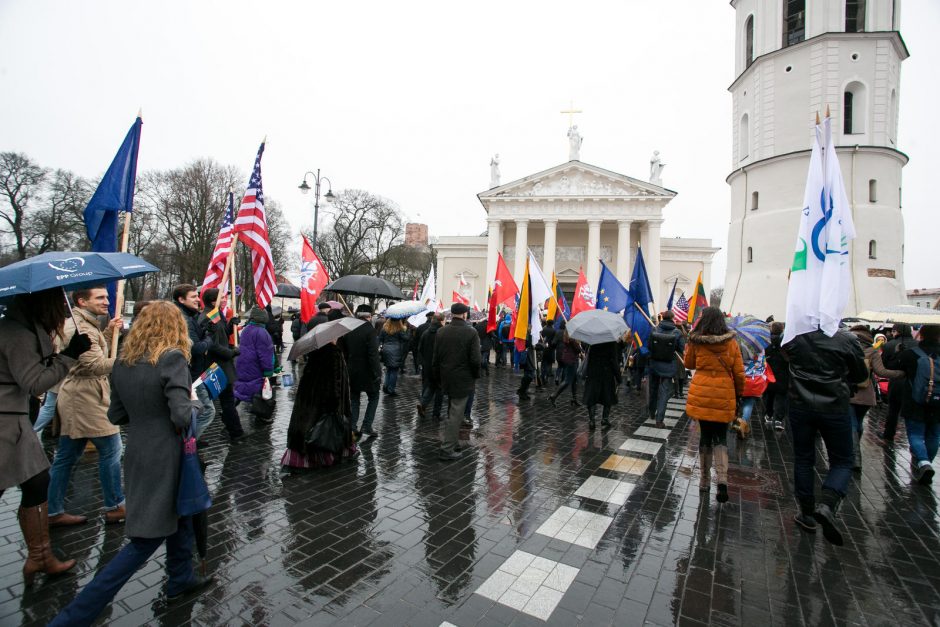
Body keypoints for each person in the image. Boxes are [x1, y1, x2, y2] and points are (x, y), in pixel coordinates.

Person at [48, 301, 212, 625]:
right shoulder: (173, 358)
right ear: (174, 327)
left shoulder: (123, 362)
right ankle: (73, 616)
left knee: (180, 517)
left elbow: (116, 414)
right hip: (169, 457)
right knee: (143, 542)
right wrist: (194, 404)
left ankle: (181, 578)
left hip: (139, 453)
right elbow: (182, 417)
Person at [0, 288, 89, 585]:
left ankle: (40, 556)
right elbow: (34, 381)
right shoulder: (16, 333)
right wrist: (69, 356)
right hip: (5, 422)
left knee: (39, 481)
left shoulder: (21, 328)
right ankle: (40, 556)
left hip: (14, 420)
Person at [48, 286, 126, 527]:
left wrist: (109, 330)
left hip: (83, 394)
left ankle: (52, 510)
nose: (106, 301)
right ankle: (115, 505)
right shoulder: (78, 326)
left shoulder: (86, 323)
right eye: (100, 297)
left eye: (106, 296)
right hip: (85, 397)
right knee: (112, 449)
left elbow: (91, 350)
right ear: (81, 301)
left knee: (66, 456)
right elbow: (94, 365)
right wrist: (128, 359)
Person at [784, 324, 868, 545]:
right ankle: (828, 503)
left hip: (800, 403)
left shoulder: (795, 335)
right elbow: (861, 374)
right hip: (834, 406)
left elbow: (785, 358)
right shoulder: (847, 339)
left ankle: (806, 512)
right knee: (842, 461)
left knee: (803, 458)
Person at [683, 307, 745, 504]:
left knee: (705, 438)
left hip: (702, 394)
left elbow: (689, 364)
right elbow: (739, 373)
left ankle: (704, 480)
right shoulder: (731, 343)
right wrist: (739, 393)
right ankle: (723, 481)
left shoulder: (696, 341)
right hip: (724, 394)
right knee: (721, 438)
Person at [281, 340, 357, 470]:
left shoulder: (315, 351)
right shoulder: (334, 353)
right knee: (325, 429)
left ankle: (300, 459)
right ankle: (326, 457)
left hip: (309, 399)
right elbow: (335, 383)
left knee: (308, 427)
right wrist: (335, 404)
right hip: (325, 400)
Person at [432, 303, 481, 460]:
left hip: (446, 376)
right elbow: (475, 360)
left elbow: (436, 358)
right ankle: (447, 450)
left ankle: (452, 442)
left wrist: (437, 377)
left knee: (453, 411)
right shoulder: (471, 332)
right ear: (465, 314)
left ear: (451, 314)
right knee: (455, 413)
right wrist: (475, 375)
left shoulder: (441, 331)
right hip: (463, 378)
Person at [894, 324, 940, 484]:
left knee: (916, 434)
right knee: (934, 434)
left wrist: (900, 352)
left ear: (921, 335)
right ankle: (927, 462)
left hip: (915, 401)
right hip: (938, 402)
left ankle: (923, 462)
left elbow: (893, 366)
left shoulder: (911, 353)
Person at [199, 288, 243, 442]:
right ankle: (236, 433)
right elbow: (213, 345)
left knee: (225, 400)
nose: (225, 299)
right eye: (222, 297)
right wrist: (231, 353)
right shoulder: (207, 317)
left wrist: (231, 324)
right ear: (213, 301)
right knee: (226, 400)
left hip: (222, 364)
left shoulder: (215, 313)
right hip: (217, 366)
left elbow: (222, 332)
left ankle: (234, 430)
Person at [172, 284, 215, 438]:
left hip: (192, 372)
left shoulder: (190, 316)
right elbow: (196, 348)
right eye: (193, 296)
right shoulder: (184, 319)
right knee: (207, 411)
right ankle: (187, 444)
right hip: (191, 373)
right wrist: (209, 339)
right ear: (181, 299)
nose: (198, 299)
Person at [341, 304, 382, 438]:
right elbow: (373, 355)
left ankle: (352, 427)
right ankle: (367, 425)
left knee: (354, 399)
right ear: (369, 316)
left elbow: (344, 351)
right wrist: (377, 373)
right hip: (368, 371)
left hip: (352, 370)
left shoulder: (349, 328)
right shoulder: (370, 330)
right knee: (374, 397)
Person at [234, 307, 276, 422]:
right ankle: (261, 415)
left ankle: (230, 409)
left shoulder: (246, 329)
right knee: (260, 390)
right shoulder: (263, 333)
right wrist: (268, 371)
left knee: (241, 388)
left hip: (243, 364)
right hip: (255, 366)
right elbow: (266, 355)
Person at [648, 311, 685, 428]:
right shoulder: (677, 332)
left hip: (654, 364)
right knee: (664, 393)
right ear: (673, 318)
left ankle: (651, 412)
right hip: (669, 365)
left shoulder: (655, 329)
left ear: (663, 318)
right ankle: (659, 420)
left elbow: (649, 346)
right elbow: (681, 348)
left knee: (653, 389)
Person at [881, 323, 918, 442]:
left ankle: (889, 434)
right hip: (913, 383)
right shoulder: (917, 345)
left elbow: (884, 365)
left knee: (893, 410)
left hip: (896, 382)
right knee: (911, 412)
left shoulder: (888, 345)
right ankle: (913, 438)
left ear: (896, 331)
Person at [582, 341, 621, 429]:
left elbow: (588, 356)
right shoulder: (611, 342)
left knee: (591, 396)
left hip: (593, 371)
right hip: (606, 372)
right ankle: (605, 419)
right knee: (607, 395)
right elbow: (613, 360)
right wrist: (618, 376)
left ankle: (592, 420)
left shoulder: (592, 340)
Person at [733, 352, 768, 440]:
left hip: (740, 375)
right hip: (755, 378)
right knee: (749, 400)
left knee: (736, 398)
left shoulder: (740, 344)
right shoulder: (760, 345)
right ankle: (743, 422)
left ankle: (735, 419)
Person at [762, 321, 789, 431]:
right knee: (781, 397)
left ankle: (768, 414)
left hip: (770, 373)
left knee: (770, 395)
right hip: (783, 373)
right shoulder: (786, 342)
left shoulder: (766, 341)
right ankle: (779, 419)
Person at [418, 314, 445, 419]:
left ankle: (423, 404)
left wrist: (422, 363)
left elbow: (420, 349)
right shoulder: (442, 332)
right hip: (439, 365)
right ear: (441, 321)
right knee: (439, 389)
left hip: (427, 365)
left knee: (431, 385)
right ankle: (436, 413)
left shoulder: (426, 332)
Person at [549, 331, 582, 407]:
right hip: (572, 360)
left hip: (570, 359)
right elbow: (577, 350)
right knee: (567, 380)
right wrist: (579, 345)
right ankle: (554, 396)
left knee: (574, 380)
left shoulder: (568, 336)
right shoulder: (572, 339)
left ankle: (574, 399)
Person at [378, 318, 410, 395]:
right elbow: (406, 338)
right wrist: (408, 330)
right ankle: (391, 389)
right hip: (395, 350)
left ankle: (386, 386)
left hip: (386, 350)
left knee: (389, 369)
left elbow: (380, 339)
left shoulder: (384, 329)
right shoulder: (399, 329)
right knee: (394, 371)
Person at [539, 319, 557, 384]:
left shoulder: (544, 329)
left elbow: (541, 337)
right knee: (549, 363)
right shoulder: (554, 330)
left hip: (544, 348)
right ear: (552, 324)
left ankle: (542, 374)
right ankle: (547, 375)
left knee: (543, 362)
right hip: (551, 349)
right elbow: (555, 341)